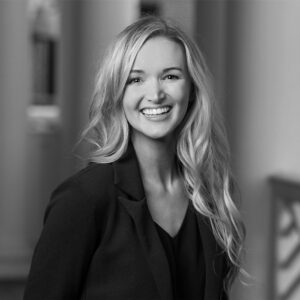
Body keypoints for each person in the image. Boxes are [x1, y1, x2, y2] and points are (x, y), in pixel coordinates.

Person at [24, 16, 245, 300]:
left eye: (171, 76)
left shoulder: (208, 196)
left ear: (192, 89)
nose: (155, 94)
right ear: (117, 93)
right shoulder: (82, 200)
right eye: (136, 79)